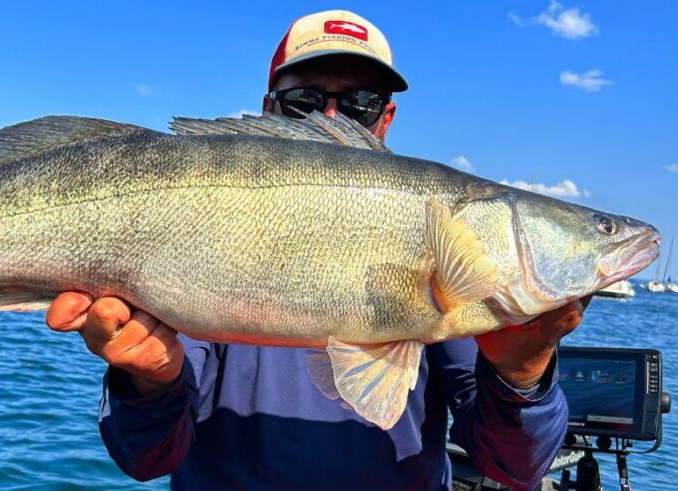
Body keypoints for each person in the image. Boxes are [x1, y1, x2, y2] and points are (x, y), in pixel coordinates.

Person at [46, 10, 583, 490]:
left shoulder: (459, 267)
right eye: (303, 102)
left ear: (386, 119)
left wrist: (522, 376)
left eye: (360, 104)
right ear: (266, 110)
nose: (331, 120)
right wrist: (150, 380)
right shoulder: (207, 221)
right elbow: (147, 459)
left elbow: (514, 467)